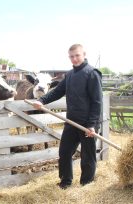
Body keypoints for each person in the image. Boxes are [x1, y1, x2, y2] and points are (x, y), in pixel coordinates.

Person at [33, 44, 103, 189]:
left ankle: (86, 184)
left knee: (87, 155)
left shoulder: (92, 74)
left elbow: (97, 102)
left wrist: (92, 125)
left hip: (87, 123)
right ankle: (65, 182)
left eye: (77, 55)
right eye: (71, 56)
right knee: (64, 152)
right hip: (71, 121)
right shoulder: (69, 75)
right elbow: (57, 91)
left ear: (84, 54)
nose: (74, 59)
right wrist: (41, 100)